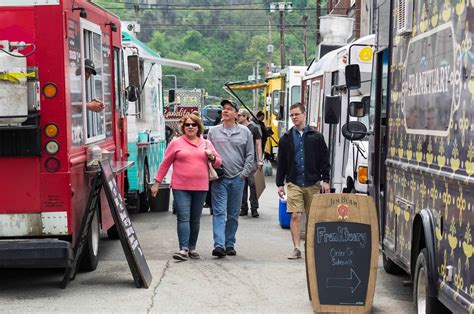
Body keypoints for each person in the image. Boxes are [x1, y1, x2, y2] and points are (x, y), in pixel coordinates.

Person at [151, 113, 222, 261]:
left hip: (201, 187)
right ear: (183, 127)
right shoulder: (176, 143)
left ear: (198, 127)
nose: (190, 127)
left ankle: (192, 248)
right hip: (180, 187)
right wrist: (157, 182)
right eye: (187, 125)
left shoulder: (206, 143)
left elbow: (218, 163)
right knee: (183, 218)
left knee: (195, 219)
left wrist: (212, 157)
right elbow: (165, 163)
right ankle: (183, 249)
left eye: (193, 124)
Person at [276, 102, 330, 259]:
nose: (294, 117)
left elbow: (324, 159)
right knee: (295, 215)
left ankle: (311, 246)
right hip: (294, 182)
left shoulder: (316, 137)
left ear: (304, 114)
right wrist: (280, 184)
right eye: (291, 115)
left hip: (312, 182)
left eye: (296, 114)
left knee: (313, 216)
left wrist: (325, 179)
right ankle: (296, 248)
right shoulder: (285, 138)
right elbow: (281, 163)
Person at [207, 99, 254, 257]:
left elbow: (250, 155)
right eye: (223, 109)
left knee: (233, 214)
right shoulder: (213, 132)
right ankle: (219, 245)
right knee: (219, 212)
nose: (225, 111)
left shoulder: (245, 132)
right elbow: (207, 152)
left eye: (229, 109)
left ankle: (230, 243)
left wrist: (243, 174)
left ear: (236, 113)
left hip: (237, 179)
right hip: (220, 179)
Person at [237, 109, 263, 218]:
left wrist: (260, 159)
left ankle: (254, 208)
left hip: (252, 161)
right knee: (242, 186)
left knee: (253, 185)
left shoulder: (254, 128)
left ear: (245, 116)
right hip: (240, 161)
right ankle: (243, 208)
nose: (237, 117)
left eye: (239, 115)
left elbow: (258, 144)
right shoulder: (237, 128)